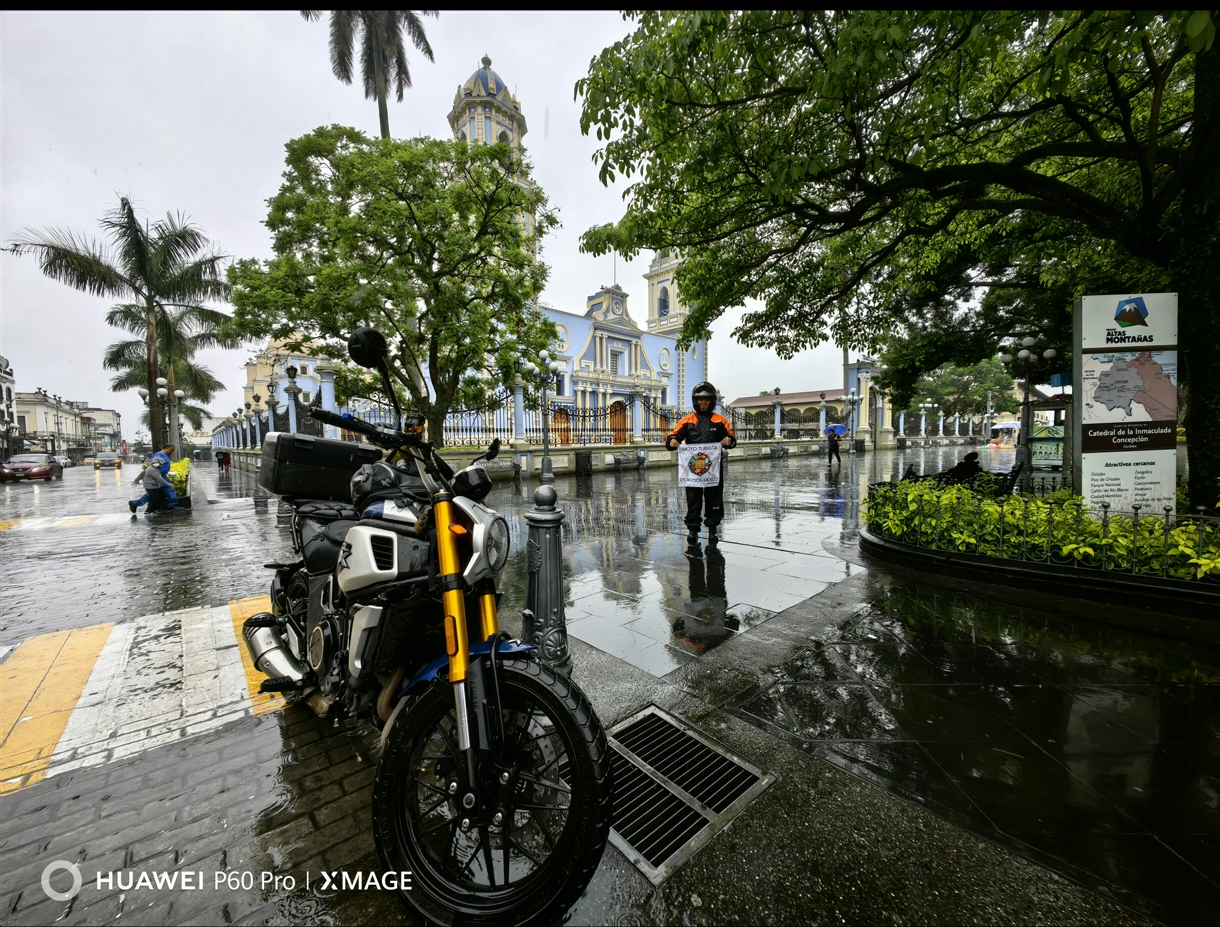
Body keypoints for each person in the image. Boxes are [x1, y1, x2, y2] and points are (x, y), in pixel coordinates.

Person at [666, 382, 736, 541]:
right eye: (700, 399)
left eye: (707, 399)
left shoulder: (720, 420)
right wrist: (672, 442)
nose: (704, 402)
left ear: (712, 400)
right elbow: (674, 436)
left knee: (714, 498)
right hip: (692, 470)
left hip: (713, 469)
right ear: (695, 401)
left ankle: (712, 528)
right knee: (693, 499)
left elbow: (731, 439)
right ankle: (693, 529)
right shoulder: (686, 420)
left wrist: (728, 441)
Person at [129, 445, 178, 513]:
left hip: (161, 475)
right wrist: (154, 473)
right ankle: (169, 506)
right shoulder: (159, 454)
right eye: (171, 450)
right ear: (167, 448)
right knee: (164, 490)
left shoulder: (164, 455)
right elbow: (150, 464)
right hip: (158, 476)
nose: (172, 452)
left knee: (156, 493)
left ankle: (138, 504)